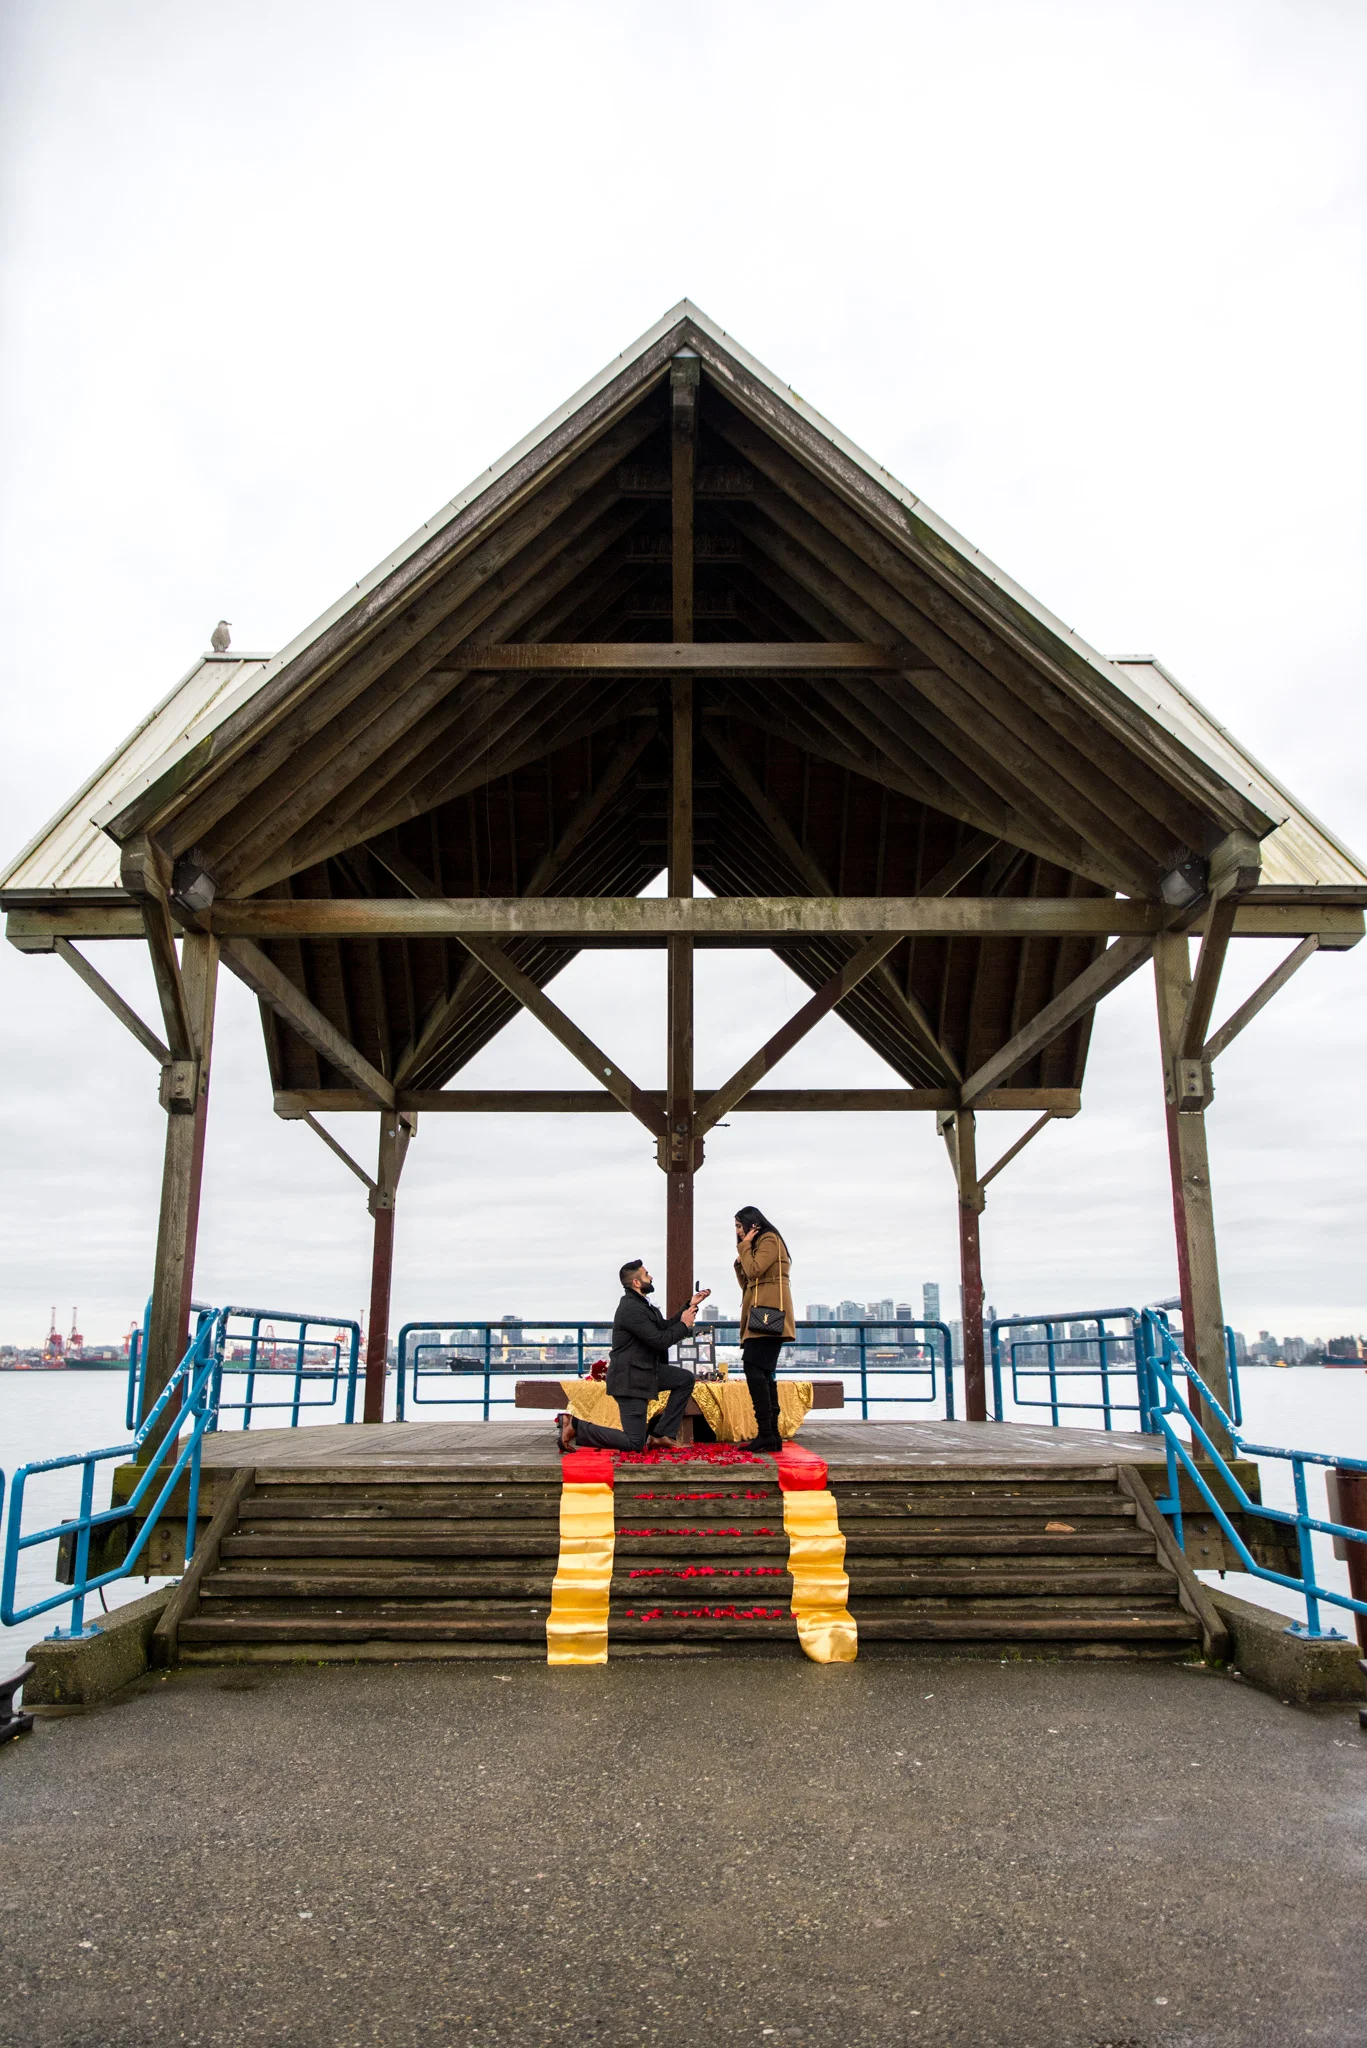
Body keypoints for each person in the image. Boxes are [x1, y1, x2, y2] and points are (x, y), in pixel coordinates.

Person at [555, 1261, 710, 1453]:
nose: (651, 1277)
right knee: (634, 1443)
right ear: (636, 1282)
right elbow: (659, 1341)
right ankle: (576, 1425)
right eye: (647, 1275)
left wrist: (690, 1305)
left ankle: (661, 1435)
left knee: (684, 1379)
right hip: (630, 1379)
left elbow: (664, 1327)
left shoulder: (643, 1305)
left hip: (645, 1371)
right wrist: (684, 1325)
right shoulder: (631, 1309)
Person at [733, 1205, 795, 1453]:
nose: (738, 1232)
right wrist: (740, 1262)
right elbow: (748, 1282)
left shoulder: (769, 1239)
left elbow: (755, 1270)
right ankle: (771, 1434)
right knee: (763, 1373)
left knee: (754, 1369)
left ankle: (768, 1433)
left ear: (752, 1224)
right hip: (760, 1317)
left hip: (769, 1317)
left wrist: (745, 1247)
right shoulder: (756, 1245)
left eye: (740, 1226)